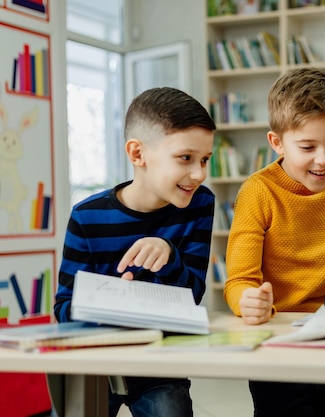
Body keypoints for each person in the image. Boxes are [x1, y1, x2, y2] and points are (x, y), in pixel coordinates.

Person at [54, 87, 216, 417]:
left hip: (158, 366)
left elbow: (192, 295)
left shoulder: (200, 205)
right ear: (137, 154)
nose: (199, 173)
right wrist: (110, 304)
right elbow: (63, 308)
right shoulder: (87, 215)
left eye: (204, 160)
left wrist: (170, 257)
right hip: (93, 365)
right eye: (186, 158)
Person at [223, 67, 325, 417]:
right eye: (307, 146)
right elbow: (240, 280)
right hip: (277, 342)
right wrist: (248, 302)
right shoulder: (258, 192)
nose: (324, 159)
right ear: (276, 142)